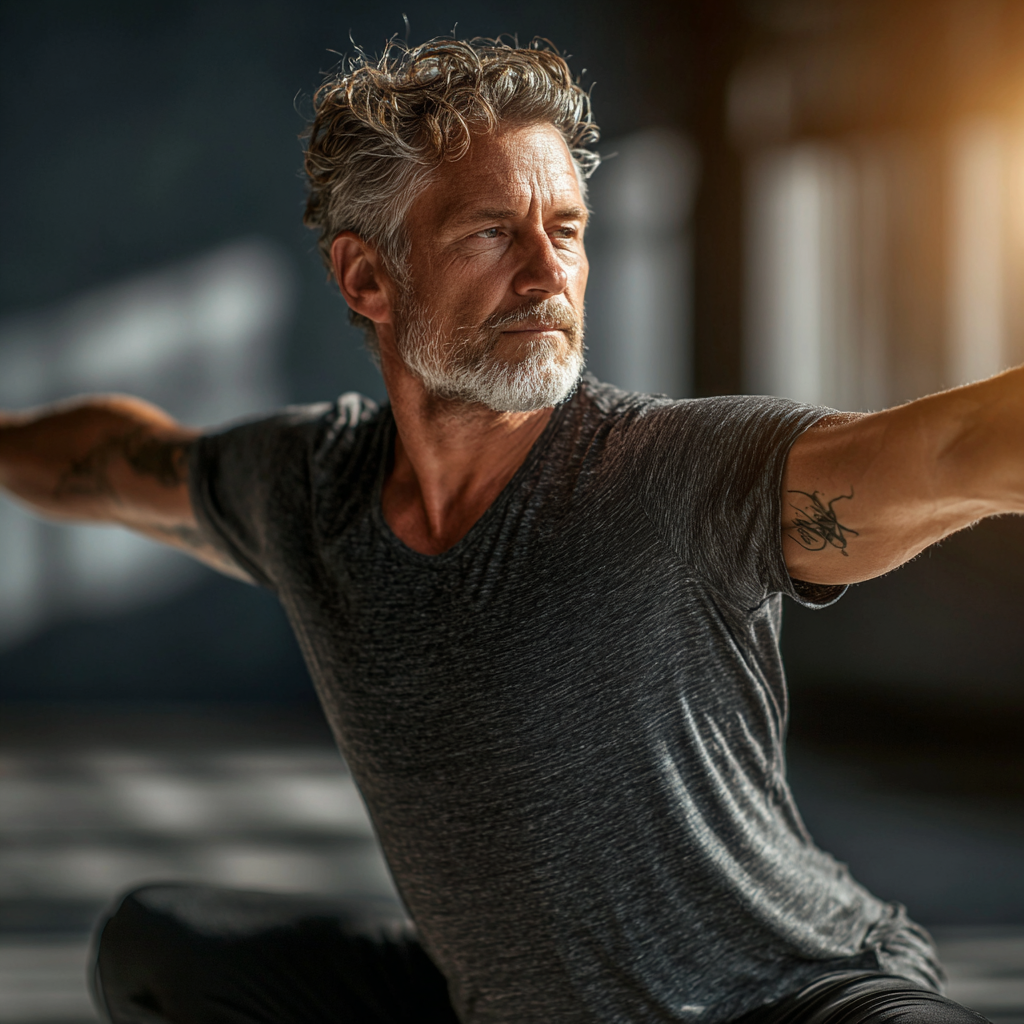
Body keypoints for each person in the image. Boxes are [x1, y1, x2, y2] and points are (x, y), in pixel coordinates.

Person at [0, 36, 1006, 1024]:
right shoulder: (308, 491)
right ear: (367, 280)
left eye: (565, 230)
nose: (545, 274)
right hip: (507, 999)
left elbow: (945, 452)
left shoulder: (673, 471)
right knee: (162, 943)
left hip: (785, 991)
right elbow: (123, 464)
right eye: (490, 232)